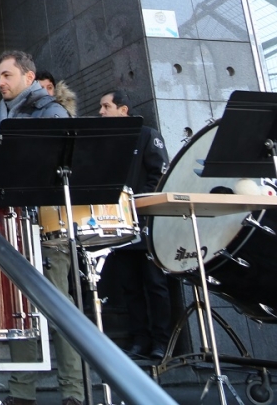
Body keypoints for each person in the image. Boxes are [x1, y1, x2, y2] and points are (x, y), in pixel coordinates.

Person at [0, 50, 80, 405]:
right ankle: (21, 392)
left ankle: (74, 393)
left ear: (28, 78)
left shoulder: (52, 111)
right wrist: (4, 166)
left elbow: (42, 169)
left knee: (60, 311)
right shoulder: (4, 112)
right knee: (22, 311)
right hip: (14, 224)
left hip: (47, 228)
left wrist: (2, 165)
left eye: (6, 75)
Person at [99, 89, 171, 362]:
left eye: (106, 106)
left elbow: (160, 172)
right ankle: (140, 339)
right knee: (129, 285)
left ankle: (161, 341)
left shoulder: (147, 134)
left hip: (147, 222)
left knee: (155, 282)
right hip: (119, 224)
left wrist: (138, 202)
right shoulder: (108, 142)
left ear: (123, 109)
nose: (102, 112)